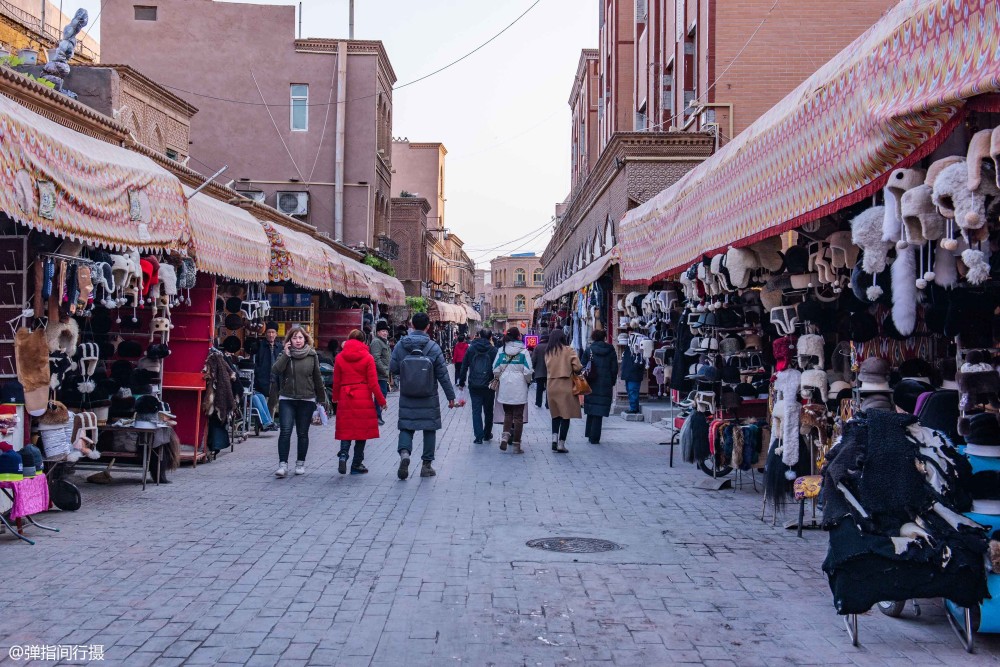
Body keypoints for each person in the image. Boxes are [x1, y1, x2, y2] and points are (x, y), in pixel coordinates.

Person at [389, 312, 457, 480]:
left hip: (407, 394)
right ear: (428, 326)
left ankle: (405, 453)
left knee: (406, 426)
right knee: (429, 428)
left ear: (411, 324)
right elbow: (443, 374)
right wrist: (450, 396)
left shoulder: (400, 345)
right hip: (429, 395)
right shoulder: (433, 347)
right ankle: (426, 466)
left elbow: (393, 368)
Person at [271, 327, 328, 477]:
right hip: (287, 399)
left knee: (302, 433)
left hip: (306, 399)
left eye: (300, 338)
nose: (298, 341)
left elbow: (317, 377)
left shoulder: (312, 355)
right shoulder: (285, 354)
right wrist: (286, 354)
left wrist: (321, 400)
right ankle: (282, 465)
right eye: (295, 338)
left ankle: (300, 464)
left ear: (305, 339)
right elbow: (276, 370)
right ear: (289, 340)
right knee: (285, 431)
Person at [332, 330, 387, 475]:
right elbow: (374, 383)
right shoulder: (368, 358)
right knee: (361, 432)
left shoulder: (339, 357)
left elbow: (336, 381)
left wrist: (335, 398)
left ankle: (343, 455)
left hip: (345, 396)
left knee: (346, 430)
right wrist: (381, 401)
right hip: (363, 396)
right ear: (364, 341)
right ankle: (356, 464)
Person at [493, 327, 533, 454]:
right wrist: (527, 381)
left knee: (508, 414)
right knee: (518, 416)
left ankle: (505, 437)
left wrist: (501, 378)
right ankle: (516, 445)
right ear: (518, 337)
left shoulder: (501, 350)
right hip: (519, 386)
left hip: (505, 385)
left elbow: (495, 369)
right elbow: (528, 371)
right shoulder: (523, 352)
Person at [545, 328, 582, 453]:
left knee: (555, 414)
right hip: (565, 385)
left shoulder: (548, 352)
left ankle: (554, 439)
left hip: (551, 385)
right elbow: (578, 367)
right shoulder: (569, 350)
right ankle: (561, 443)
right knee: (566, 415)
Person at [459, 329, 497, 444]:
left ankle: (478, 436)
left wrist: (461, 382)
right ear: (490, 337)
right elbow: (497, 368)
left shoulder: (471, 349)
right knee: (488, 410)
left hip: (474, 384)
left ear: (479, 336)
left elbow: (464, 366)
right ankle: (487, 434)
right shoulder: (493, 350)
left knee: (476, 410)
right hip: (489, 385)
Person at [581, 330, 618, 444]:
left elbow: (582, 366)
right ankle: (594, 436)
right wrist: (611, 381)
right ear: (604, 338)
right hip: (605, 384)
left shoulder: (589, 350)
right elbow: (614, 368)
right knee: (599, 411)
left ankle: (590, 434)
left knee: (591, 408)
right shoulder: (610, 350)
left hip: (591, 383)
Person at [252, 322, 281, 432]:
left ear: (276, 334)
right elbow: (256, 362)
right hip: (263, 378)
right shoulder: (260, 346)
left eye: (273, 332)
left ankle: (270, 423)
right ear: (265, 334)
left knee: (272, 403)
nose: (271, 335)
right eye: (269, 332)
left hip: (275, 380)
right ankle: (261, 424)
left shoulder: (280, 347)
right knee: (262, 401)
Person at [369, 320, 392, 426]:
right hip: (379, 375)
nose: (385, 333)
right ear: (378, 332)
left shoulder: (383, 342)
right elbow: (375, 358)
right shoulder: (376, 342)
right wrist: (384, 370)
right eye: (383, 331)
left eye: (386, 331)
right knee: (380, 395)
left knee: (382, 395)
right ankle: (376, 416)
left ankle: (377, 416)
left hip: (383, 375)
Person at [620, 338, 647, 414]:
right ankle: (633, 407)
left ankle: (633, 408)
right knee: (630, 391)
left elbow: (640, 363)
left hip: (634, 373)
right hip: (630, 373)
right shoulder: (628, 348)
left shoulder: (639, 350)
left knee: (632, 391)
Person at [531, 332, 549, 408]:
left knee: (539, 388)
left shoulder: (537, 347)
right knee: (549, 389)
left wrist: (533, 368)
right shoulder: (550, 347)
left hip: (539, 371)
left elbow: (533, 359)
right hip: (549, 372)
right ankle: (548, 404)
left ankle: (538, 403)